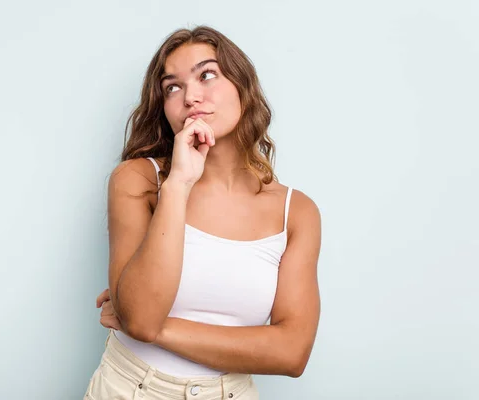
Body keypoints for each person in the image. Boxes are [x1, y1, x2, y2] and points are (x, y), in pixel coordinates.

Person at [84, 25, 322, 400]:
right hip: (131, 388)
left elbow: (292, 353)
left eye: (206, 75)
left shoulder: (297, 212)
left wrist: (155, 330)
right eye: (172, 87)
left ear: (243, 87)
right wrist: (179, 182)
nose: (191, 97)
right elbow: (141, 316)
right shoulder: (139, 180)